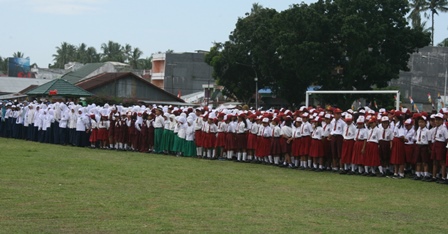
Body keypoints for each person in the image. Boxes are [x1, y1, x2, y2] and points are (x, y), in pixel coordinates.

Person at [413, 116, 430, 180]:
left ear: (425, 123)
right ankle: (418, 174)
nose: (420, 124)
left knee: (425, 161)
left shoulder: (427, 131)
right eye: (419, 122)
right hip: (418, 145)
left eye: (422, 122)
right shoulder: (418, 130)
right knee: (418, 161)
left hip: (424, 146)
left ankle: (425, 175)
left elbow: (429, 140)